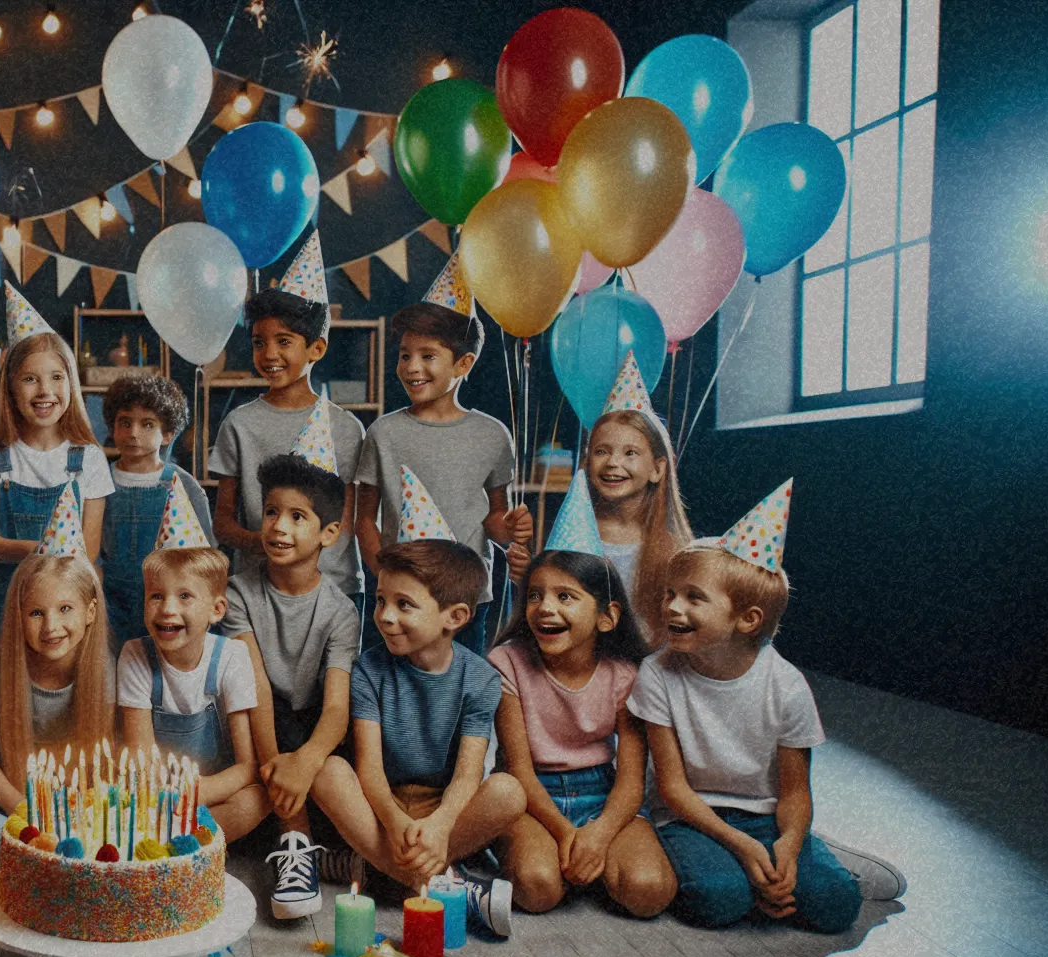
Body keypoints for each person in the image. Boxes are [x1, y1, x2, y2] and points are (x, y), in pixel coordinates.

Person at [630, 481, 898, 932]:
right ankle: (750, 882)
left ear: (748, 619)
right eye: (669, 594)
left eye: (694, 597)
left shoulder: (786, 686)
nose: (672, 607)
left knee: (836, 906)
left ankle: (818, 853)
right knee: (718, 901)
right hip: (691, 816)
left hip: (766, 817)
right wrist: (742, 848)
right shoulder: (658, 673)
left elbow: (795, 792)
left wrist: (788, 846)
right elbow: (672, 789)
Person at [311, 538, 526, 938]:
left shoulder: (480, 680)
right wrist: (393, 823)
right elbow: (369, 771)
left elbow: (467, 775)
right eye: (379, 601)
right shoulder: (368, 671)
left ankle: (373, 868)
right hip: (381, 804)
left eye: (404, 604)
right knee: (328, 771)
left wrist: (442, 825)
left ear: (455, 616)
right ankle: (445, 884)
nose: (385, 617)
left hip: (440, 808)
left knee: (509, 791)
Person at [488, 544, 675, 918]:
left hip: (601, 794)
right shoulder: (507, 662)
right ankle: (560, 858)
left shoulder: (624, 673)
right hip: (531, 795)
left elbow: (631, 779)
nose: (545, 607)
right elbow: (519, 770)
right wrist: (566, 834)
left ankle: (596, 865)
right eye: (535, 595)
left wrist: (601, 833)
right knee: (538, 890)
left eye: (565, 596)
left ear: (607, 617)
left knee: (649, 891)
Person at [356, 275, 531, 652]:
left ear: (463, 363)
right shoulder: (383, 433)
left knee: (459, 690)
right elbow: (364, 519)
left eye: (427, 356)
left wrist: (512, 526)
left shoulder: (492, 435)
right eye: (405, 355)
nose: (411, 367)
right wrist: (386, 578)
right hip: (398, 601)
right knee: (391, 687)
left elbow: (495, 522)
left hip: (464, 601)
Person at [223, 453, 364, 919]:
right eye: (271, 512)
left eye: (297, 516)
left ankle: (316, 849)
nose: (279, 526)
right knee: (265, 711)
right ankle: (297, 845)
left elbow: (337, 709)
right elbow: (254, 686)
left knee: (324, 731)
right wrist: (279, 769)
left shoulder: (341, 612)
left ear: (329, 533)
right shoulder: (239, 592)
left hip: (312, 732)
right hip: (258, 725)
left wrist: (303, 764)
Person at [0, 554, 116, 884]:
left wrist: (75, 811)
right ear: (18, 617)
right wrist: (24, 810)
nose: (50, 627)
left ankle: (2, 854)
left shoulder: (102, 669)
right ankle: (54, 856)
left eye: (65, 609)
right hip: (12, 798)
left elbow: (102, 764)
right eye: (36, 612)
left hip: (75, 801)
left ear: (90, 612)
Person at [210, 232, 365, 606]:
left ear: (317, 348)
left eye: (284, 341)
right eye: (259, 342)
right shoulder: (239, 425)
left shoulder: (347, 429)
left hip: (333, 590)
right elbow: (223, 524)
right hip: (256, 593)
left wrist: (306, 555)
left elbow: (349, 522)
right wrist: (265, 542)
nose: (269, 354)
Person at [0, 285, 113, 653]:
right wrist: (44, 548)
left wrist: (48, 554)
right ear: (10, 388)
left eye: (56, 377)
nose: (44, 390)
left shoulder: (89, 459)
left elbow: (90, 549)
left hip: (66, 610)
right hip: (5, 602)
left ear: (71, 384)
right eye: (30, 379)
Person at [510, 354, 690, 643]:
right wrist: (528, 576)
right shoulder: (575, 531)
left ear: (657, 468)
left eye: (630, 453)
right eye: (602, 451)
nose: (612, 463)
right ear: (586, 461)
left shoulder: (671, 546)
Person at [119, 545, 270, 842]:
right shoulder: (135, 655)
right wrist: (167, 800)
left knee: (256, 800)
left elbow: (246, 767)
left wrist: (195, 795)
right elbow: (142, 762)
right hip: (156, 796)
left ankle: (173, 844)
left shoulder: (232, 656)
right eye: (156, 595)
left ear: (216, 609)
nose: (167, 609)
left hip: (215, 792)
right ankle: (186, 843)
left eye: (185, 596)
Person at [100, 374, 213, 649]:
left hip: (167, 606)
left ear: (167, 434)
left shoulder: (183, 484)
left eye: (147, 424)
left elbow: (206, 556)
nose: (133, 433)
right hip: (108, 602)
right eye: (124, 423)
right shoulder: (99, 480)